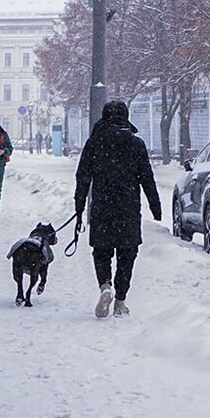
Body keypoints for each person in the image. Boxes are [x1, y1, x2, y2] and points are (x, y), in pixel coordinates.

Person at [73, 100, 162, 318]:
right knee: (127, 253)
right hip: (128, 209)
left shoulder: (94, 143)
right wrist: (155, 206)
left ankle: (105, 286)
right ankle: (120, 300)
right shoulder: (136, 144)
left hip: (102, 207)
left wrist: (79, 207)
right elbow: (147, 178)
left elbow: (82, 177)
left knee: (102, 251)